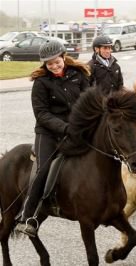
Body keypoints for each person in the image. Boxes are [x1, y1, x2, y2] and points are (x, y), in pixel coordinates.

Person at [15, 40, 90, 237]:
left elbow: (88, 101)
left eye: (57, 62)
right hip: (48, 132)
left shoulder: (79, 75)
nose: (54, 67)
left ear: (63, 57)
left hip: (75, 130)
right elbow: (42, 114)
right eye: (50, 64)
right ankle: (27, 215)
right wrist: (66, 127)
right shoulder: (41, 83)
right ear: (44, 65)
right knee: (44, 168)